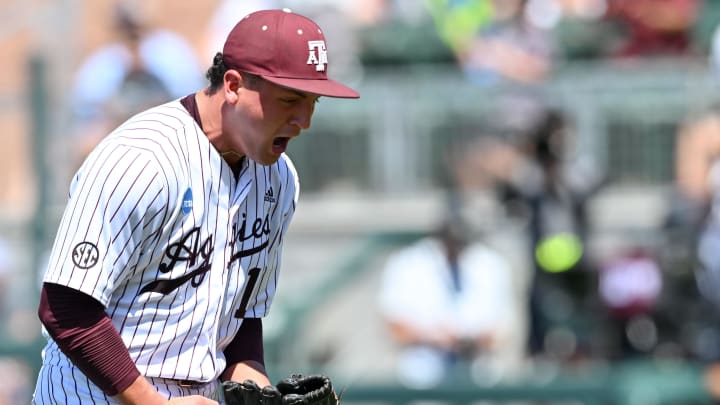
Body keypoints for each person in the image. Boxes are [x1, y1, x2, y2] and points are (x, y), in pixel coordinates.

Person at [32, 8, 359, 404]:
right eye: (290, 99)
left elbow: (243, 316)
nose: (304, 119)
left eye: (312, 101)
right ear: (234, 85)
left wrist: (256, 392)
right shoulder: (142, 159)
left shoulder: (279, 180)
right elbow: (65, 307)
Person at [377, 215, 517, 388]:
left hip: (479, 378)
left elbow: (501, 329)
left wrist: (469, 340)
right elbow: (395, 326)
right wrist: (435, 337)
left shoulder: (490, 263)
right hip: (423, 377)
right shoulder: (408, 263)